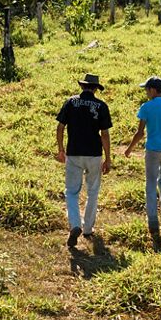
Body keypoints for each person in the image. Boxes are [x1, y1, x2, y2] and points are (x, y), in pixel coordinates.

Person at [123, 76, 161, 249]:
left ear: (152, 90)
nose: (145, 93)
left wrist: (129, 149)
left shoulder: (146, 107)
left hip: (153, 150)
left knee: (150, 184)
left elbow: (140, 133)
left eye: (146, 90)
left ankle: (153, 223)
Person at [55, 73, 112, 248]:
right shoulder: (101, 105)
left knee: (72, 191)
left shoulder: (71, 102)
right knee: (93, 191)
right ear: (96, 88)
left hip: (74, 152)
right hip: (94, 153)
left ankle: (75, 225)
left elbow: (60, 127)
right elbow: (104, 134)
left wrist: (61, 149)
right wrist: (108, 158)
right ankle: (87, 228)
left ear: (82, 86)